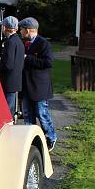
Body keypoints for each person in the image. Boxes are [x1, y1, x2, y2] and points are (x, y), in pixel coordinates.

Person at [19, 17, 57, 151]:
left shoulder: (43, 44)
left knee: (42, 113)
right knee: (27, 113)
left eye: (22, 30)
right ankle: (31, 139)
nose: (21, 32)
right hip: (26, 85)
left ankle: (51, 137)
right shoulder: (23, 43)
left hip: (39, 85)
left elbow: (48, 63)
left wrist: (27, 58)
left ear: (29, 30)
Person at [0, 16, 24, 116]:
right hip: (15, 80)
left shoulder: (10, 42)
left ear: (5, 27)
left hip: (8, 81)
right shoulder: (18, 41)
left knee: (6, 111)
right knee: (9, 108)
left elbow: (8, 65)